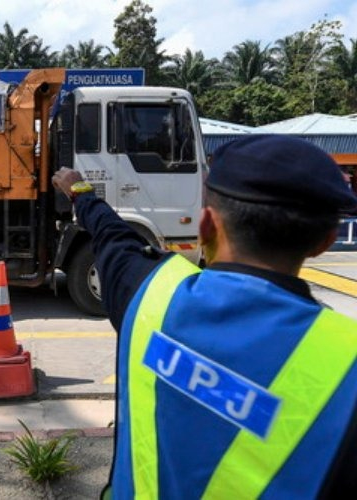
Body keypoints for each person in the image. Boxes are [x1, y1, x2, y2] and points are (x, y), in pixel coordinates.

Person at [52, 134, 357, 499]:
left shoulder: (150, 296)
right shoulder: (345, 361)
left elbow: (111, 233)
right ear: (324, 242)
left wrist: (79, 190)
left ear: (207, 226)